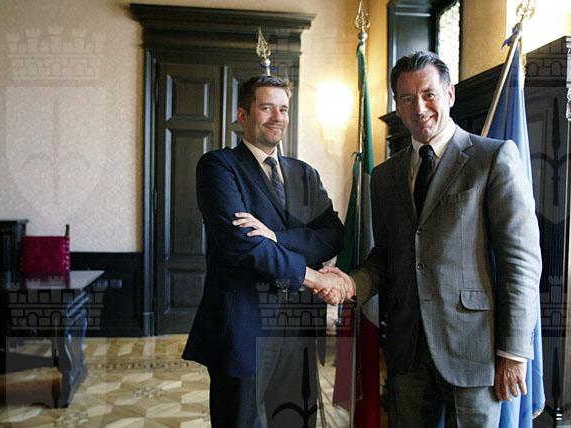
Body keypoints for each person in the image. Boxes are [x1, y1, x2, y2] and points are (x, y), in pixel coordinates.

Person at [320, 51, 542, 427]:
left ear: (449, 94)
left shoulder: (492, 158)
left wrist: (514, 351)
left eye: (428, 94)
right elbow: (386, 256)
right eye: (407, 98)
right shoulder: (385, 177)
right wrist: (350, 283)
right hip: (407, 351)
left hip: (475, 351)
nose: (419, 108)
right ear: (398, 106)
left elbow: (520, 261)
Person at [182, 75, 345, 428]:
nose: (277, 117)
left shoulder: (305, 173)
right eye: (266, 107)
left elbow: (333, 236)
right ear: (243, 115)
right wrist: (313, 277)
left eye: (283, 109)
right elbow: (242, 244)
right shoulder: (218, 166)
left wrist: (275, 236)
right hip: (243, 330)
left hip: (298, 328)